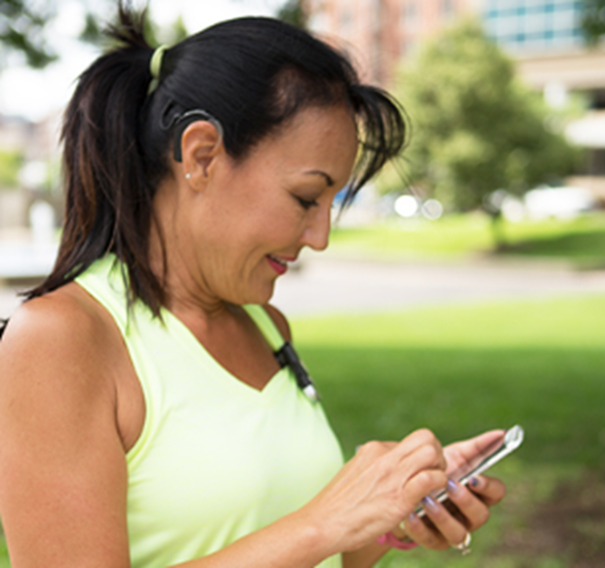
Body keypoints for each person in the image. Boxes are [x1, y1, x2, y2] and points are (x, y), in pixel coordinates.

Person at [0, 5, 506, 567]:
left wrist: (389, 514)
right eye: (306, 198)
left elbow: (295, 547)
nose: (320, 237)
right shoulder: (62, 339)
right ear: (202, 156)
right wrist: (324, 521)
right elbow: (305, 534)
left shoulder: (266, 326)